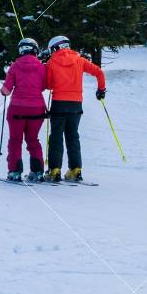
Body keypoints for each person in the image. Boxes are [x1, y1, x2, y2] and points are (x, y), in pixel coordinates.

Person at [43, 35, 106, 183]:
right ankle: (75, 169)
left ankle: (54, 170)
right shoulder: (79, 59)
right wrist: (101, 90)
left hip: (59, 103)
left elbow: (49, 85)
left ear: (55, 47)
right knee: (73, 136)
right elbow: (99, 72)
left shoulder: (51, 62)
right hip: (76, 104)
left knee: (56, 137)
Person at [0, 38, 47, 182]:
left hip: (17, 108)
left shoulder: (15, 66)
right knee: (33, 139)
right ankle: (38, 172)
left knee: (15, 140)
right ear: (35, 50)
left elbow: (7, 90)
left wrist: (3, 90)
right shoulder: (41, 66)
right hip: (37, 109)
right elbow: (44, 86)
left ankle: (14, 171)